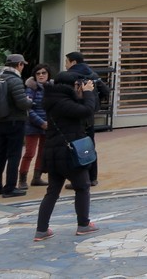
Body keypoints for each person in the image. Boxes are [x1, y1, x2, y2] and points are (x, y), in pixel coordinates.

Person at [34, 71, 100, 241]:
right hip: (68, 153)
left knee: (52, 191)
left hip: (53, 152)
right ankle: (83, 225)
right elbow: (87, 111)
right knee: (83, 186)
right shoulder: (62, 102)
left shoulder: (54, 99)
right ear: (72, 86)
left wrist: (83, 94)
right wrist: (88, 93)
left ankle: (42, 229)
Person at [0, 53, 33, 198]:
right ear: (19, 65)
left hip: (0, 120)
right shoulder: (15, 80)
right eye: (22, 65)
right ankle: (10, 188)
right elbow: (21, 102)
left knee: (0, 154)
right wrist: (30, 101)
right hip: (15, 121)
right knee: (14, 155)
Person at [64, 51, 108, 186]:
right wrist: (94, 103)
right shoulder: (92, 75)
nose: (65, 65)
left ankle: (80, 179)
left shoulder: (69, 77)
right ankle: (92, 177)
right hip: (89, 116)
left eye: (67, 61)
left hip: (76, 116)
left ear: (73, 62)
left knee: (76, 147)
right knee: (90, 145)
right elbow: (105, 91)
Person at [19, 63, 52, 189]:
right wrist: (41, 123)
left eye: (44, 73)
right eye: (38, 73)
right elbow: (28, 109)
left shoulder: (51, 87)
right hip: (33, 125)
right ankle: (22, 179)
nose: (41, 75)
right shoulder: (30, 88)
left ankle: (37, 177)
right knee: (29, 153)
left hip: (47, 125)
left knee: (42, 152)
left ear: (48, 75)